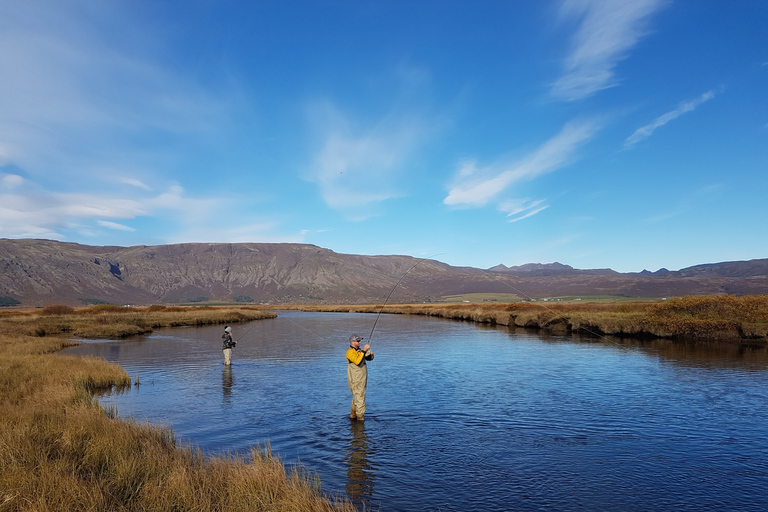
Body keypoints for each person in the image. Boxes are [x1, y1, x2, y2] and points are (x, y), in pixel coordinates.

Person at [346, 334, 374, 421]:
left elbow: (368, 358)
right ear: (352, 342)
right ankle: (361, 418)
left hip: (361, 379)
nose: (360, 342)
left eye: (360, 341)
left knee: (356, 397)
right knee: (360, 397)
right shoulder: (350, 352)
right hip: (356, 380)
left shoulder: (359, 351)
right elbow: (358, 362)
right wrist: (364, 350)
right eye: (358, 341)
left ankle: (353, 416)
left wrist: (369, 354)